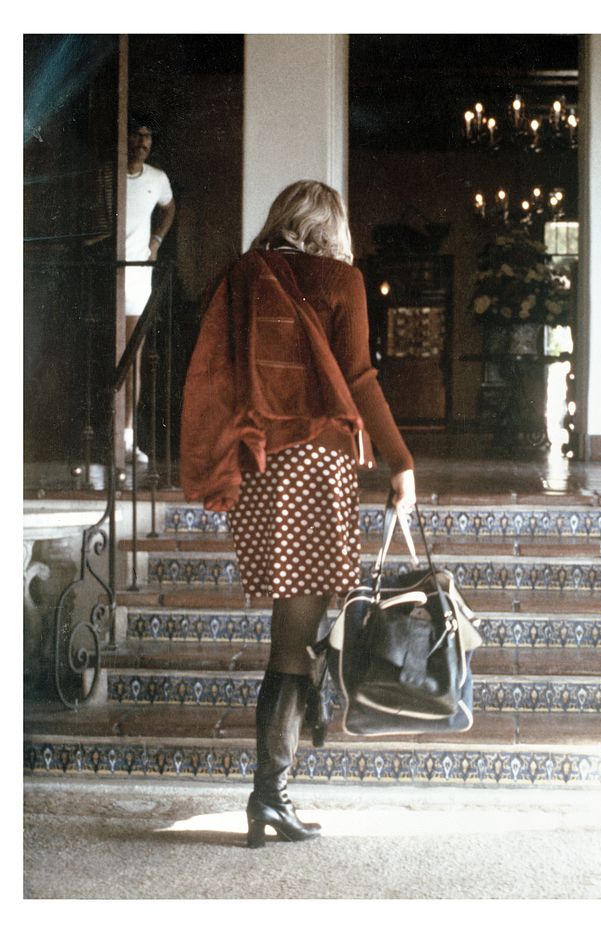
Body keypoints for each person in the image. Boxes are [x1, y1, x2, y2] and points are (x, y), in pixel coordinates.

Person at [179, 180, 416, 848]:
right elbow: (361, 378)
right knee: (295, 641)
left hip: (261, 472)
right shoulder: (342, 282)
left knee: (296, 631)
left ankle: (276, 786)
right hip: (317, 469)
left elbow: (215, 375)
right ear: (331, 229)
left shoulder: (241, 276)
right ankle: (270, 796)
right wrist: (400, 462)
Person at [124, 114, 176, 462]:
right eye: (137, 136)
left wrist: (156, 240)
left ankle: (127, 437)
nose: (143, 143)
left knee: (132, 358)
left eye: (148, 137)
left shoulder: (157, 179)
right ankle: (110, 438)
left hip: (138, 276)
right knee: (110, 357)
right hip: (109, 274)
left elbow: (170, 208)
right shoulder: (110, 174)